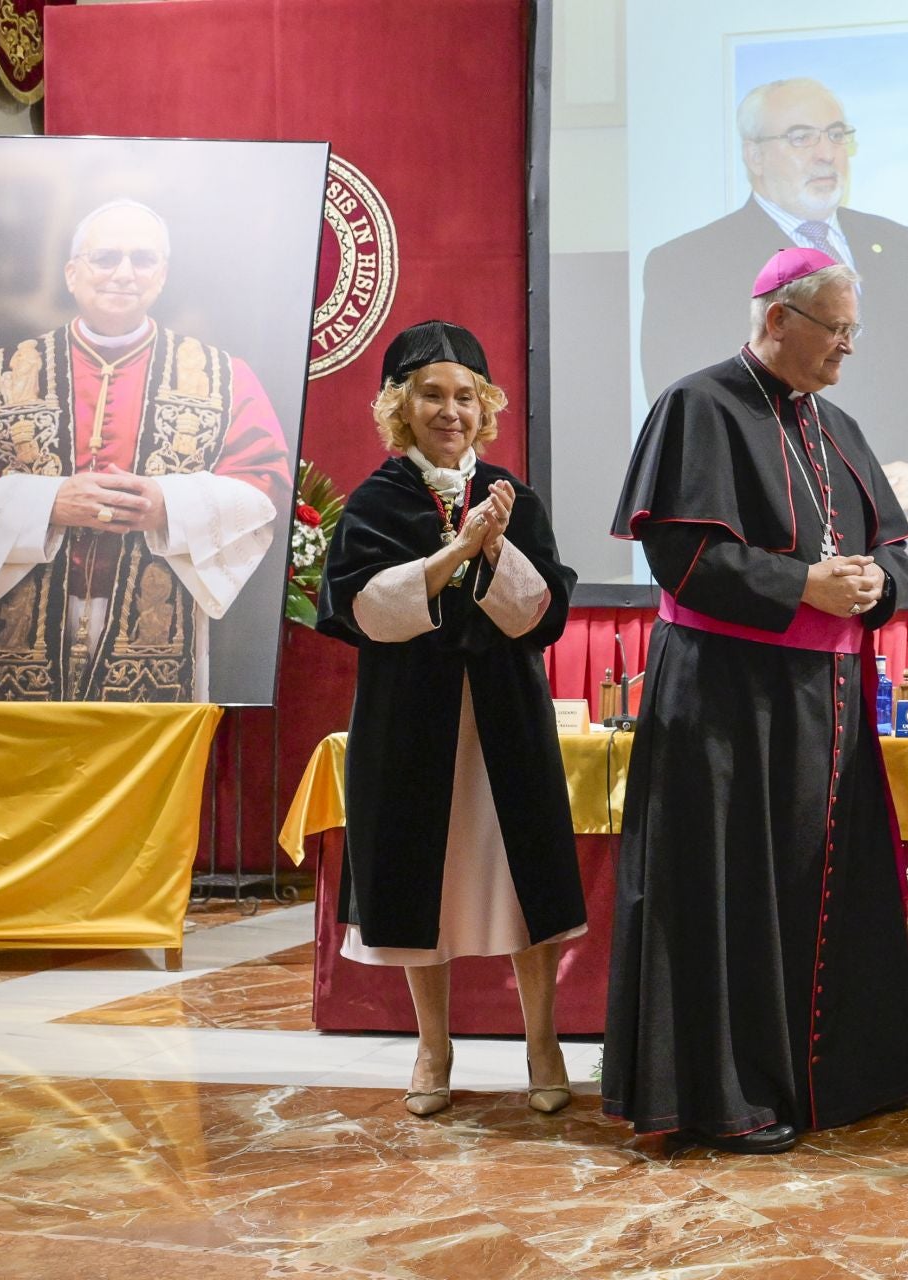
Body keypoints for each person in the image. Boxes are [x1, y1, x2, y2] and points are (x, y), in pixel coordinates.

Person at [603, 249, 908, 1154]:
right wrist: (801, 586)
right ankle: (728, 1094)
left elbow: (892, 551)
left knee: (816, 888)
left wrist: (872, 584)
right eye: (836, 330)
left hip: (827, 710)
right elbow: (681, 559)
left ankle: (830, 1080)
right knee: (729, 894)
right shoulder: (696, 405)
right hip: (725, 704)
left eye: (855, 333)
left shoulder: (841, 426)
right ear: (779, 319)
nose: (847, 350)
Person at [317, 321, 587, 1118]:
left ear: (485, 406)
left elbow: (543, 616)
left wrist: (499, 549)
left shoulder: (513, 497)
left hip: (505, 718)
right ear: (401, 407)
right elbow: (364, 609)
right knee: (418, 885)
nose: (450, 410)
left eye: (465, 396)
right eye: (431, 394)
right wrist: (455, 553)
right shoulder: (375, 501)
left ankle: (543, 1043)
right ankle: (433, 1048)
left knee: (523, 879)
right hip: (411, 725)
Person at [0, 198, 292, 701]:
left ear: (162, 275)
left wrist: (168, 505)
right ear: (71, 272)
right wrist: (47, 504)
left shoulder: (224, 379)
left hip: (155, 634)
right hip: (7, 620)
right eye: (106, 258)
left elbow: (264, 485)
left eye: (142, 259)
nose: (124, 273)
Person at [640, 77, 908, 572]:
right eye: (801, 137)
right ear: (753, 155)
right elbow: (691, 415)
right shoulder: (686, 260)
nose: (826, 153)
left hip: (889, 524)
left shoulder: (896, 243)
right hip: (768, 541)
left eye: (836, 135)